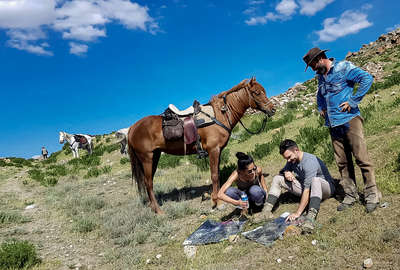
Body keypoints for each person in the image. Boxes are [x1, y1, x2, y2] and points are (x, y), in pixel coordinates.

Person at [303, 47, 381, 213]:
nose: (313, 70)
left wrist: (352, 102)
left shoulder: (344, 67)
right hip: (333, 125)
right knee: (342, 162)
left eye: (313, 66)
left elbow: (366, 78)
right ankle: (350, 195)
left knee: (362, 158)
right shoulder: (320, 77)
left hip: (350, 120)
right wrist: (321, 107)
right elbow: (320, 95)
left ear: (320, 59)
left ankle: (372, 194)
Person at [262, 140, 336, 232]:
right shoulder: (292, 159)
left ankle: (310, 217)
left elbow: (307, 190)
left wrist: (297, 213)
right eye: (286, 159)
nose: (288, 160)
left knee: (315, 180)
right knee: (277, 178)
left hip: (326, 188)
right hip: (308, 188)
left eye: (289, 157)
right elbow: (283, 171)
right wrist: (286, 172)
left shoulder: (309, 162)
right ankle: (266, 211)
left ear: (296, 150)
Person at [218, 152, 267, 219]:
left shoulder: (257, 170)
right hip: (245, 197)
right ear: (241, 171)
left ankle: (258, 207)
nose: (253, 172)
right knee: (229, 191)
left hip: (256, 194)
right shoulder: (236, 174)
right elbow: (220, 194)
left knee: (254, 190)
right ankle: (245, 207)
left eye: (254, 168)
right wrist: (237, 202)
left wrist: (265, 190)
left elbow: (261, 176)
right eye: (249, 171)